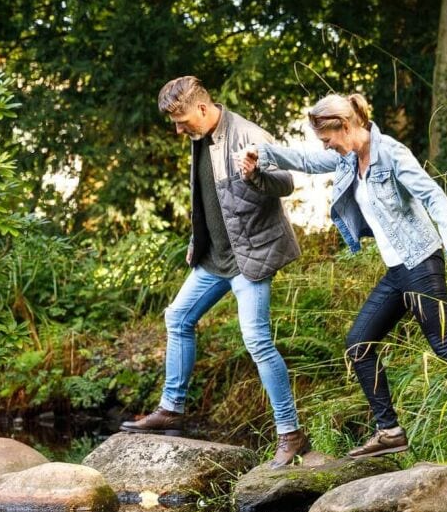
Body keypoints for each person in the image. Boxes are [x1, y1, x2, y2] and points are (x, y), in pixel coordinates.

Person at [241, 93, 447, 458]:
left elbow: (432, 194)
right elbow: (307, 161)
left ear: (344, 126)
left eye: (327, 139)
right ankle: (389, 431)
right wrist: (263, 154)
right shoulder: (347, 160)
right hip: (397, 271)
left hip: (421, 262)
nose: (326, 146)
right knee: (359, 345)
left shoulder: (391, 152)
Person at [120, 77, 310, 468]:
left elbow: (287, 183)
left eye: (181, 119)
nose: (178, 129)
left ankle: (290, 433)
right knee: (178, 317)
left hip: (249, 259)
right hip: (214, 258)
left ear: (203, 110)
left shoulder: (247, 135)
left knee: (257, 340)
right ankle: (172, 408)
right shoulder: (199, 138)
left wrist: (256, 173)